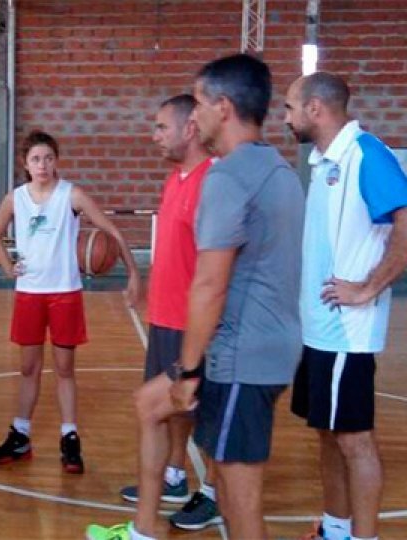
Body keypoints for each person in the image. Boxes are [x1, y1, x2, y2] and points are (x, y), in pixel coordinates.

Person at [165, 53, 304, 540]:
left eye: (199, 102)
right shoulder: (280, 169)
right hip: (274, 349)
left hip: (242, 357)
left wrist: (186, 371)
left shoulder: (228, 177)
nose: (194, 114)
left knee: (241, 507)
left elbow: (210, 284)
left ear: (223, 107)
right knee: (229, 490)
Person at [86, 94, 220, 540]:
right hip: (165, 316)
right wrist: (141, 280)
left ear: (189, 129)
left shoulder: (212, 181)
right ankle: (175, 477)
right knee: (170, 411)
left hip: (194, 323)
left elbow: (216, 267)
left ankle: (214, 494)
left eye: (162, 127)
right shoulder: (175, 179)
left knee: (202, 413)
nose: (154, 135)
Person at [284, 72, 407, 540]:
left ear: (316, 108)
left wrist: (366, 288)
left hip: (346, 333)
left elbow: (405, 222)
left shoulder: (365, 154)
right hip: (319, 331)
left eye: (292, 107)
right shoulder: (324, 162)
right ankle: (335, 528)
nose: (288, 117)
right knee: (329, 435)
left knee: (355, 440)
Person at [0, 130, 141, 474]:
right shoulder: (16, 198)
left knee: (65, 369)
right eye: (36, 159)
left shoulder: (72, 195)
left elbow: (111, 231)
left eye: (49, 158)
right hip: (29, 293)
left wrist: (133, 272)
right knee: (28, 368)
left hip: (64, 293)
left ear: (56, 161)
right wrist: (8, 267)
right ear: (26, 164)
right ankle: (20, 434)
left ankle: (69, 436)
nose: (43, 165)